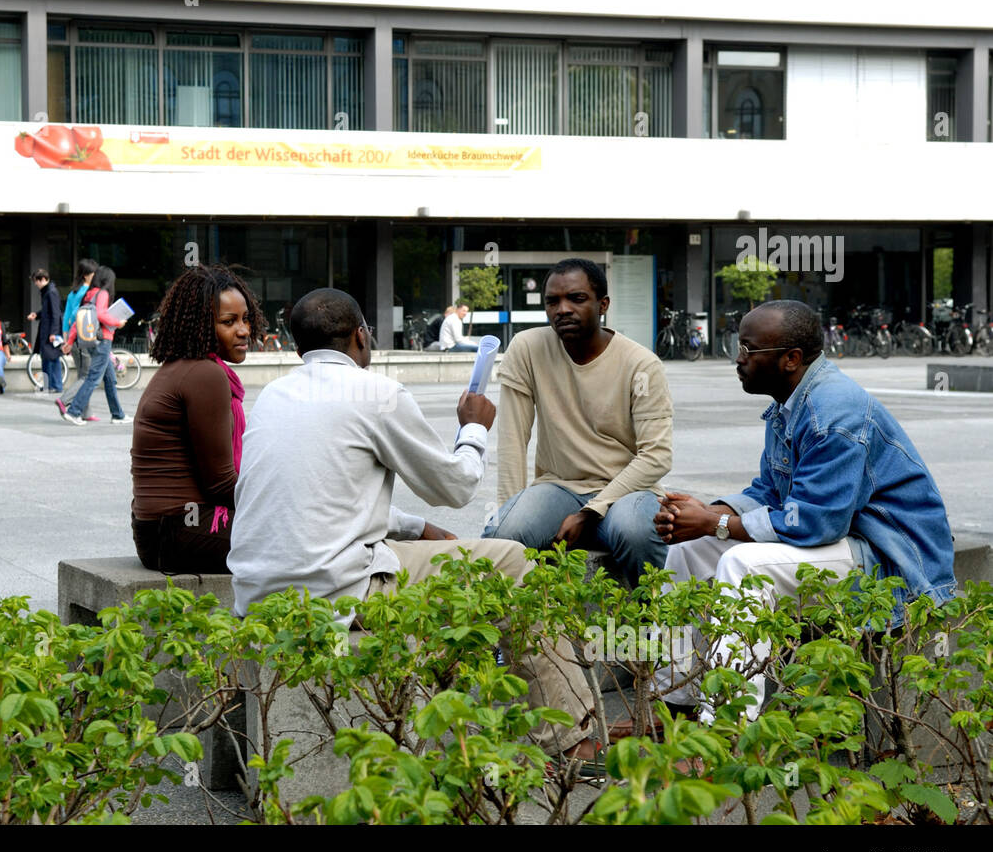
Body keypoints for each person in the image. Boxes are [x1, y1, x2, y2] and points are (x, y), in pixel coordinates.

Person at [228, 287, 600, 772]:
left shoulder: (274, 395)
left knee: (452, 565)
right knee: (510, 560)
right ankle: (571, 741)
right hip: (337, 592)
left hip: (258, 597)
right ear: (362, 335)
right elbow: (456, 485)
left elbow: (327, 499)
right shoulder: (376, 392)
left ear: (300, 348)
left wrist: (414, 526)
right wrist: (474, 427)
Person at [653, 299, 956, 719]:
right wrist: (706, 513)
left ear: (791, 358)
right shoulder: (790, 400)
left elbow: (814, 523)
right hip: (842, 535)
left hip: (888, 556)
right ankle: (675, 704)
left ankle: (726, 729)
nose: (737, 361)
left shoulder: (833, 412)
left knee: (744, 565)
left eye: (747, 350)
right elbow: (770, 490)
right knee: (688, 551)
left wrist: (716, 522)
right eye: (736, 347)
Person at [482, 258, 672, 587]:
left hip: (627, 492)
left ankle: (657, 622)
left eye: (577, 298)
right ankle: (511, 632)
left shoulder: (642, 364)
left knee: (636, 532)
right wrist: (509, 513)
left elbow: (657, 456)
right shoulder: (528, 349)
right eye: (553, 301)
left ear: (603, 305)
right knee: (502, 534)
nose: (563, 309)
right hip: (558, 487)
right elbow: (513, 441)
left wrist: (590, 512)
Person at [130, 264, 263, 573]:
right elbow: (220, 484)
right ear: (202, 326)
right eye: (228, 322)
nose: (243, 330)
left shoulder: (183, 367)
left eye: (246, 319)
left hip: (162, 530)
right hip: (180, 532)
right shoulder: (206, 374)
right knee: (304, 538)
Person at [59, 267, 130, 426]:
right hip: (102, 340)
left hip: (90, 340)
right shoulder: (103, 293)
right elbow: (100, 314)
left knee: (110, 379)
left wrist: (70, 341)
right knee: (93, 378)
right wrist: (117, 322)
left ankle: (117, 414)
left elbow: (78, 319)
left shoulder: (88, 294)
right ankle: (74, 411)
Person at [57, 259, 99, 418]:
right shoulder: (87, 292)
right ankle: (64, 400)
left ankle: (85, 412)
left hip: (73, 339)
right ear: (88, 275)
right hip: (83, 338)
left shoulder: (72, 293)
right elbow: (75, 314)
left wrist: (66, 340)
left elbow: (66, 317)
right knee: (86, 376)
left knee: (83, 375)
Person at [26, 268, 64, 394]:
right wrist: (36, 315)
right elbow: (48, 311)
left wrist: (54, 332)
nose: (36, 284)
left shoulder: (50, 292)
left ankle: (55, 385)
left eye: (36, 281)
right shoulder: (47, 291)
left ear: (43, 279)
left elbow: (55, 313)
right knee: (47, 357)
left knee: (52, 358)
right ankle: (49, 385)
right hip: (47, 330)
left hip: (49, 331)